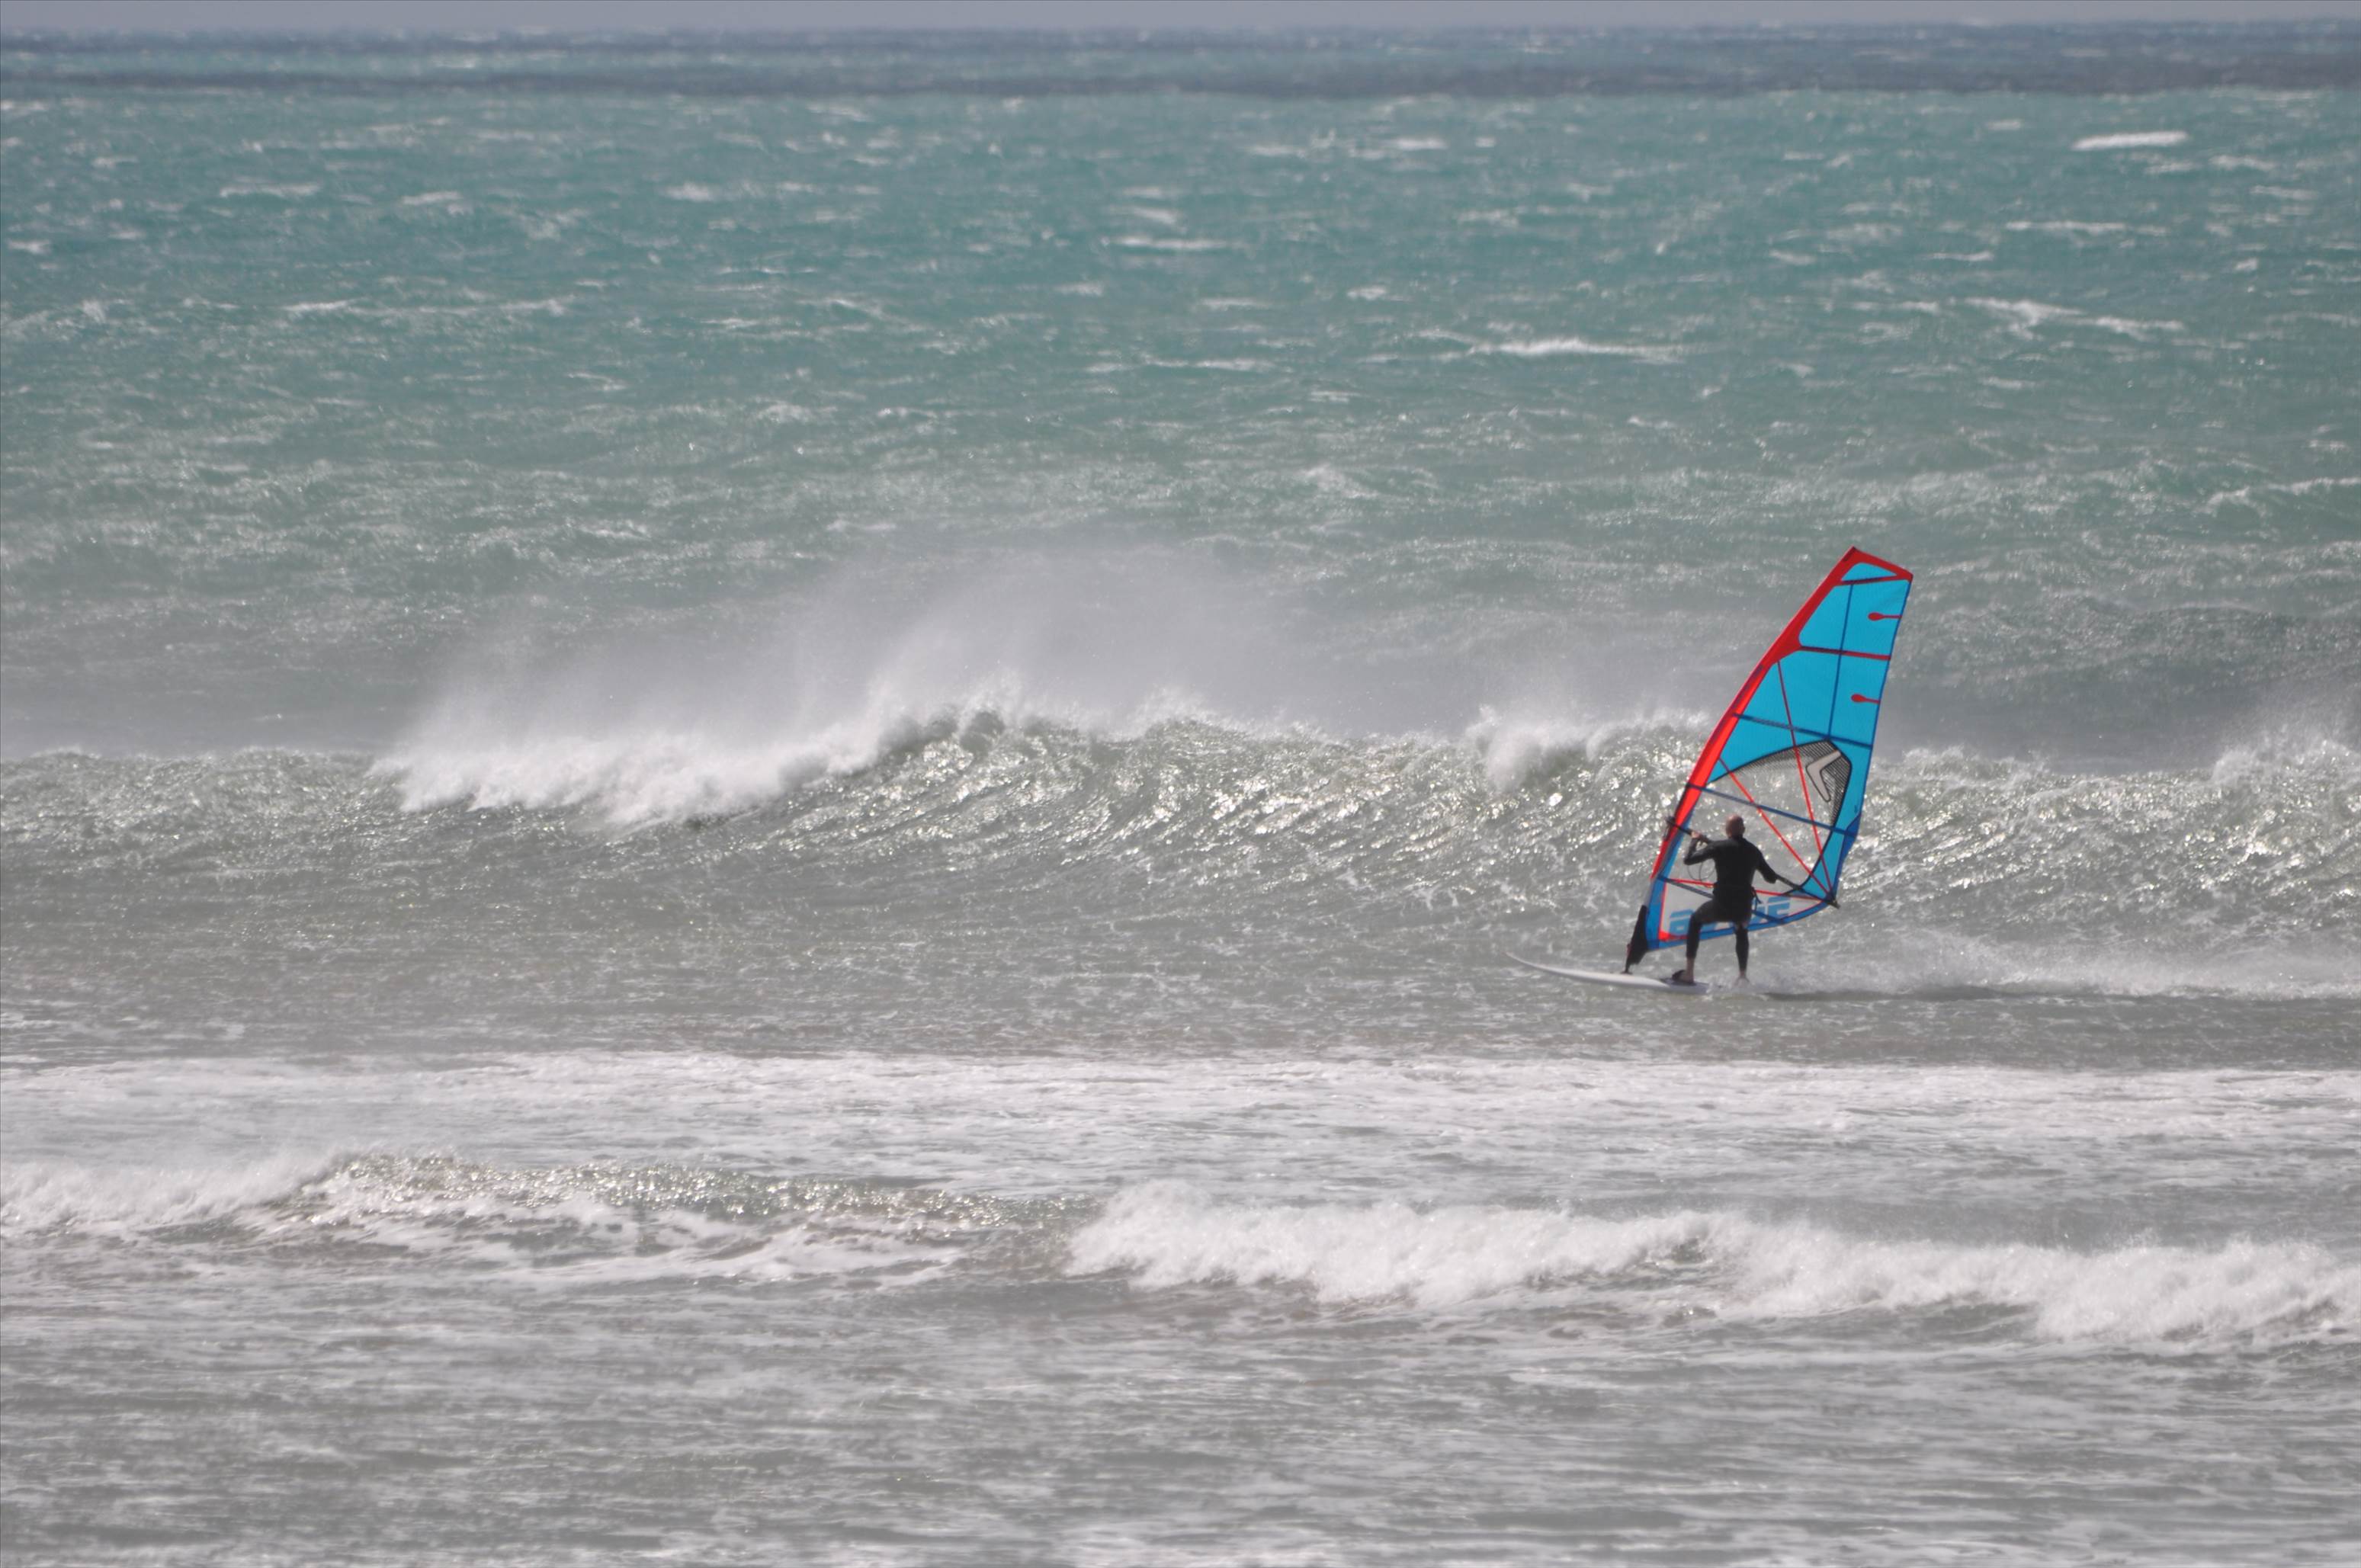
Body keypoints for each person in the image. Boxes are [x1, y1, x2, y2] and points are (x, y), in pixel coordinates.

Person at [1668, 814, 1818, 984]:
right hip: (1743, 908)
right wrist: (1767, 871)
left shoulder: (1718, 847)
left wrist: (1695, 840)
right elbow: (1770, 878)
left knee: (1695, 921)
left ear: (1726, 831)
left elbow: (1688, 860)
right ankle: (1742, 976)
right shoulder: (1754, 852)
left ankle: (1689, 973)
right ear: (1744, 830)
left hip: (1722, 905)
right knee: (1741, 930)